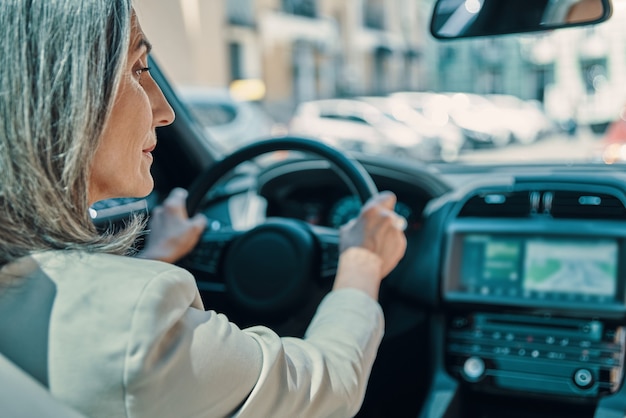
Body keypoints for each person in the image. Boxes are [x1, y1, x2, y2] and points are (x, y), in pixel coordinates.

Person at [0, 1, 407, 417]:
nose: (165, 111)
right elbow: (330, 386)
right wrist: (362, 261)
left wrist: (156, 254)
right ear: (58, 93)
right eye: (139, 70)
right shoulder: (139, 317)